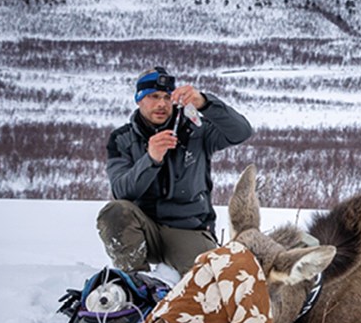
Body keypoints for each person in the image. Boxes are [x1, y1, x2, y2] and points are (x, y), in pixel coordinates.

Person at [96, 66, 253, 275]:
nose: (161, 104)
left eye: (167, 97)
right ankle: (136, 280)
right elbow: (121, 191)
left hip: (188, 229)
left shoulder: (196, 130)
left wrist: (205, 103)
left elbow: (241, 132)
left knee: (208, 281)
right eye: (153, 96)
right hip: (143, 230)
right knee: (113, 213)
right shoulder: (122, 139)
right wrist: (151, 159)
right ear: (139, 99)